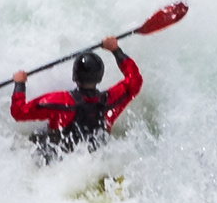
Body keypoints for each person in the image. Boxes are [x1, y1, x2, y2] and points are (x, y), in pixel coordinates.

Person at [10, 44, 139, 153]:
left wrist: (19, 84)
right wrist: (116, 50)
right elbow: (135, 80)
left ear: (74, 77)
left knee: (36, 137)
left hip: (58, 160)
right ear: (100, 78)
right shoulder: (111, 101)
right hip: (94, 157)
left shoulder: (60, 102)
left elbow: (19, 112)